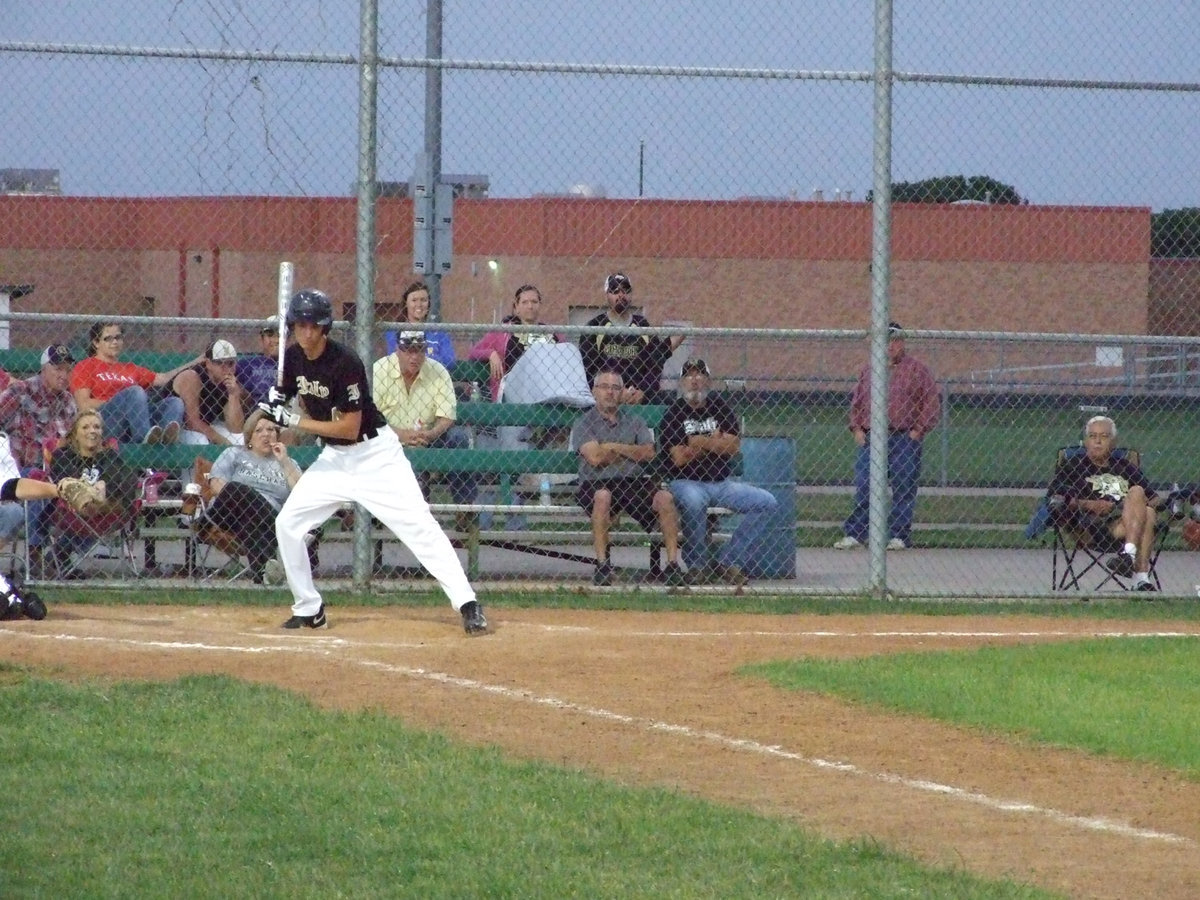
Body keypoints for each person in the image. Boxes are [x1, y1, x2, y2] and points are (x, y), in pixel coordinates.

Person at [257, 288, 487, 634]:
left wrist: (292, 420)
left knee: (418, 525)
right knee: (288, 523)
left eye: (312, 326)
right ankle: (309, 607)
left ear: (324, 328)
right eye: (299, 325)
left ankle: (468, 603)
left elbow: (349, 428)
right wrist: (276, 400)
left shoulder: (346, 362)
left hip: (376, 456)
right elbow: (288, 398)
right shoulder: (291, 359)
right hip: (334, 460)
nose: (305, 332)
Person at [659, 359, 777, 586]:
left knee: (766, 502)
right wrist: (713, 442)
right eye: (689, 375)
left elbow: (733, 447)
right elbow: (679, 459)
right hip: (686, 482)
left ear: (708, 380)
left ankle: (728, 561)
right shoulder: (673, 413)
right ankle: (697, 566)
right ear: (682, 382)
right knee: (693, 502)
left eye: (700, 375)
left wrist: (697, 443)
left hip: (722, 483)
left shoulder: (720, 407)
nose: (695, 380)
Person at [570, 365, 684, 587]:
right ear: (594, 391)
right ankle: (603, 566)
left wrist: (611, 446)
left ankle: (672, 565)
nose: (610, 392)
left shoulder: (636, 421)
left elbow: (648, 453)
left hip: (633, 482)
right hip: (596, 482)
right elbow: (595, 457)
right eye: (604, 387)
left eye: (615, 388)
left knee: (665, 498)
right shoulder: (584, 422)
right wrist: (629, 451)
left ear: (622, 392)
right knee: (602, 496)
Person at [834, 321, 940, 551]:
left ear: (902, 342)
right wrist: (857, 429)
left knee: (904, 485)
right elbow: (858, 402)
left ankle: (899, 535)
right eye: (885, 341)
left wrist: (917, 431)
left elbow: (931, 403)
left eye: (895, 340)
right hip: (872, 437)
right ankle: (856, 533)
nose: (890, 346)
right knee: (866, 485)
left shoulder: (918, 370)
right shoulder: (869, 370)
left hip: (904, 437)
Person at [372, 330, 478, 527]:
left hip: (428, 436)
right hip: (388, 436)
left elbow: (447, 417)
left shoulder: (437, 370)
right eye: (408, 351)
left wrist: (430, 434)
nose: (414, 357)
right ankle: (368, 515)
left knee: (458, 438)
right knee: (367, 437)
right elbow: (370, 417)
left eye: (419, 351)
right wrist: (400, 434)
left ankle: (465, 512)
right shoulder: (380, 369)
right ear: (397, 350)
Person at [1048, 415, 1160, 591]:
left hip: (1124, 525)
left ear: (1113, 441)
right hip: (1091, 527)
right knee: (1147, 512)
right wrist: (1091, 505)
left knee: (1141, 497)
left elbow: (1154, 498)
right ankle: (1140, 577)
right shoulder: (1073, 466)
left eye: (1104, 436)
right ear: (1085, 441)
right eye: (1092, 436)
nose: (1098, 441)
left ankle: (1128, 557)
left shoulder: (1125, 466)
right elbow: (1056, 498)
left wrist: (1138, 505)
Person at [200, 410, 304, 583]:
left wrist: (284, 461)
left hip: (257, 523)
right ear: (249, 437)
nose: (266, 435)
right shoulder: (234, 454)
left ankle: (263, 573)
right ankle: (277, 549)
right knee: (237, 490)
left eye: (271, 430)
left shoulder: (288, 463)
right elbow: (217, 485)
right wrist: (249, 497)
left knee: (249, 520)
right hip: (226, 514)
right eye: (259, 430)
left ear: (277, 435)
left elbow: (301, 494)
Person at [46, 409, 141, 574]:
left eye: (97, 427)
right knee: (82, 500)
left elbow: (126, 480)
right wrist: (91, 492)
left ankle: (59, 555)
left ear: (102, 432)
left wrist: (105, 488)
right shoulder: (63, 456)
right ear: (75, 434)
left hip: (106, 510)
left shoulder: (111, 456)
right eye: (85, 427)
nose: (92, 431)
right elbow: (64, 481)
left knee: (122, 487)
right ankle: (91, 507)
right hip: (72, 510)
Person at [70, 321, 193, 445]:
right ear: (96, 343)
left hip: (136, 419)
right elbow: (84, 404)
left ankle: (165, 444)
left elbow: (164, 378)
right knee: (135, 392)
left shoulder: (129, 368)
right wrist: (123, 402)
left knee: (174, 403)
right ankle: (144, 441)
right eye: (108, 339)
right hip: (107, 422)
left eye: (118, 337)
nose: (115, 342)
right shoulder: (85, 366)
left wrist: (198, 361)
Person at [579, 272, 684, 405]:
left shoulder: (642, 325)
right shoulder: (595, 326)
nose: (621, 295)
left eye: (626, 290)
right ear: (607, 295)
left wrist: (643, 392)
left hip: (640, 394)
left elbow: (655, 362)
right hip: (607, 395)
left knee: (669, 404)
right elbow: (588, 370)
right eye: (615, 291)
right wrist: (614, 392)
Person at [468, 283, 563, 402]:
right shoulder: (503, 332)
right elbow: (473, 352)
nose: (530, 306)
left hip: (550, 390)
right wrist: (491, 354)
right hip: (515, 392)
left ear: (540, 305)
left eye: (534, 302)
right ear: (516, 307)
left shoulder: (552, 333)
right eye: (525, 302)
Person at [0, 343, 78, 470]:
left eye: (68, 370)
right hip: (22, 470)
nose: (64, 375)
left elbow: (73, 440)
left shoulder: (68, 401)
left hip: (58, 469)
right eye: (58, 369)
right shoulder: (20, 391)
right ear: (44, 368)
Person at [172, 339, 247, 445]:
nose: (226, 368)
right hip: (178, 428)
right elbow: (192, 422)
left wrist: (233, 395)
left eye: (230, 363)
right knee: (201, 441)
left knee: (240, 439)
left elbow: (236, 428)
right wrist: (222, 440)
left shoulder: (229, 381)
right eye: (219, 363)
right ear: (208, 363)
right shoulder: (192, 376)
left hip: (205, 425)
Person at [383, 281, 457, 369]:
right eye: (414, 300)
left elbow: (450, 361)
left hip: (433, 378)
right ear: (406, 303)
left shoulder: (438, 332)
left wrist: (418, 360)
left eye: (423, 300)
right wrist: (431, 359)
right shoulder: (395, 330)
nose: (419, 305)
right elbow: (394, 359)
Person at [236, 316, 283, 408]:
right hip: (255, 412)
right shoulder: (247, 364)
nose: (276, 340)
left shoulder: (294, 363)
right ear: (261, 339)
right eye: (270, 335)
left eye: (279, 335)